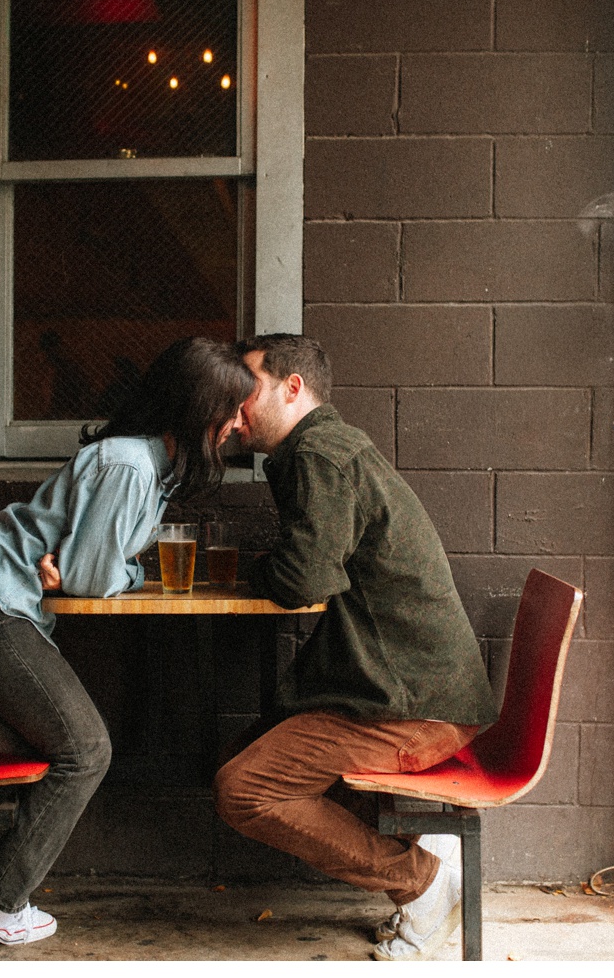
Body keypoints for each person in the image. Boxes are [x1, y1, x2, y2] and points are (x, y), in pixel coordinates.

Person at [0, 337, 254, 947]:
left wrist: (115, 571)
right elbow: (91, 578)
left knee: (72, 739)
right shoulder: (130, 466)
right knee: (86, 749)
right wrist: (106, 571)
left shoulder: (152, 468)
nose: (242, 424)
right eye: (234, 410)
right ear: (201, 411)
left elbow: (98, 570)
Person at [213, 333, 500, 962]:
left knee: (245, 788)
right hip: (411, 691)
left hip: (411, 705)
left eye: (247, 388)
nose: (235, 409)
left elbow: (305, 579)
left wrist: (256, 569)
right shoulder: (325, 449)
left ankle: (421, 883)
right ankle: (426, 864)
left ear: (293, 389)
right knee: (249, 752)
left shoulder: (318, 452)